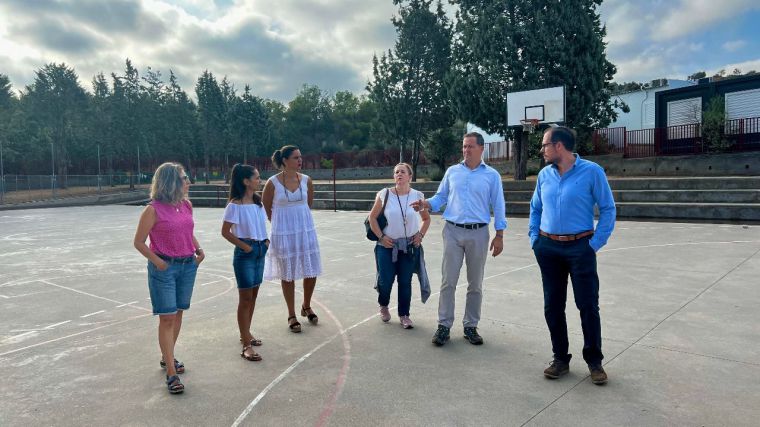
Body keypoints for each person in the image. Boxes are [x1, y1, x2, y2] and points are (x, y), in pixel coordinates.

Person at [528, 126, 616, 385]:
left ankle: (594, 361)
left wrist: (594, 243)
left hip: (581, 248)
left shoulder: (592, 172)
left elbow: (608, 209)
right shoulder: (544, 175)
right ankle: (560, 359)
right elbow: (535, 209)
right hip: (548, 248)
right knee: (552, 306)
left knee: (587, 305)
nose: (542, 150)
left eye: (544, 145)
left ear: (559, 146)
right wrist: (535, 239)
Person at [411, 132, 506, 346]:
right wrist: (426, 203)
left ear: (481, 149)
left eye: (470, 146)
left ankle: (470, 326)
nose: (466, 150)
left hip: (479, 233)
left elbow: (499, 205)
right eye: (464, 146)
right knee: (448, 281)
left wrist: (499, 234)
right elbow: (441, 197)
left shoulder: (492, 176)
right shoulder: (453, 172)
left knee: (475, 283)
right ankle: (444, 325)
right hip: (452, 231)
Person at [133, 162, 204, 394]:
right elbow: (139, 242)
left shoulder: (186, 205)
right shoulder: (153, 210)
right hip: (165, 269)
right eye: (184, 178)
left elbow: (187, 231)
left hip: (187, 266)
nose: (188, 182)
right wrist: (158, 262)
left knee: (178, 313)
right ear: (172, 181)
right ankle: (171, 372)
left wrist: (199, 250)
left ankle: (168, 357)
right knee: (167, 319)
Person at [262, 145, 322, 333]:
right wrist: (278, 225)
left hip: (305, 230)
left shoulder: (307, 180)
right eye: (296, 157)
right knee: (287, 273)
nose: (300, 160)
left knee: (310, 270)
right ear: (285, 161)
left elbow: (308, 204)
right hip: (283, 232)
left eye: (300, 157)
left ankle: (306, 305)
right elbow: (266, 206)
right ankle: (291, 313)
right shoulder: (272, 183)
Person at [368, 163, 431, 329]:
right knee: (386, 279)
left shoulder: (417, 195)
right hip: (386, 246)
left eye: (403, 172)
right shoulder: (384, 194)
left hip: (409, 246)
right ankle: (383, 304)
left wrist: (420, 235)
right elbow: (372, 218)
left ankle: (404, 315)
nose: (399, 174)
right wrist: (381, 237)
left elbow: (426, 219)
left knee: (405, 281)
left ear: (410, 176)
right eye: (396, 172)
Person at [221, 164, 269, 362]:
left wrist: (265, 242)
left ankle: (246, 332)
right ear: (246, 181)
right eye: (256, 178)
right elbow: (225, 232)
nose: (260, 180)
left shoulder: (258, 202)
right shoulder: (235, 205)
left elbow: (261, 225)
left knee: (254, 295)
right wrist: (245, 246)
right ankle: (246, 345)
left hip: (260, 250)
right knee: (245, 298)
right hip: (246, 253)